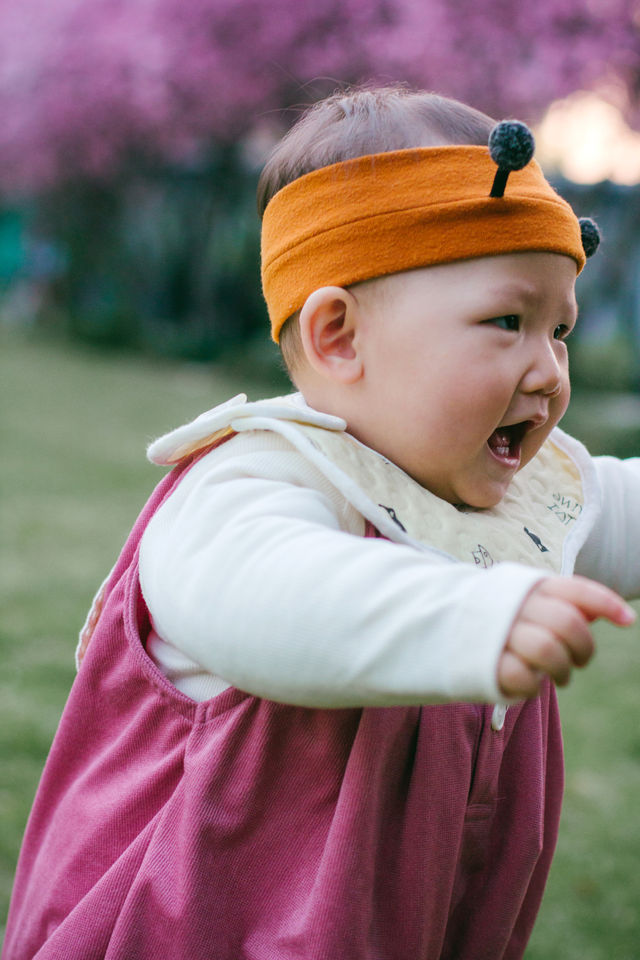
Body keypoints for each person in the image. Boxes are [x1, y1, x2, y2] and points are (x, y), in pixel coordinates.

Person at [3, 85, 640, 960]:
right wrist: (464, 614)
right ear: (339, 335)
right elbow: (271, 594)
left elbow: (624, 509)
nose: (548, 371)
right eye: (508, 321)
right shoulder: (251, 479)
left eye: (559, 329)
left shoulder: (521, 495)